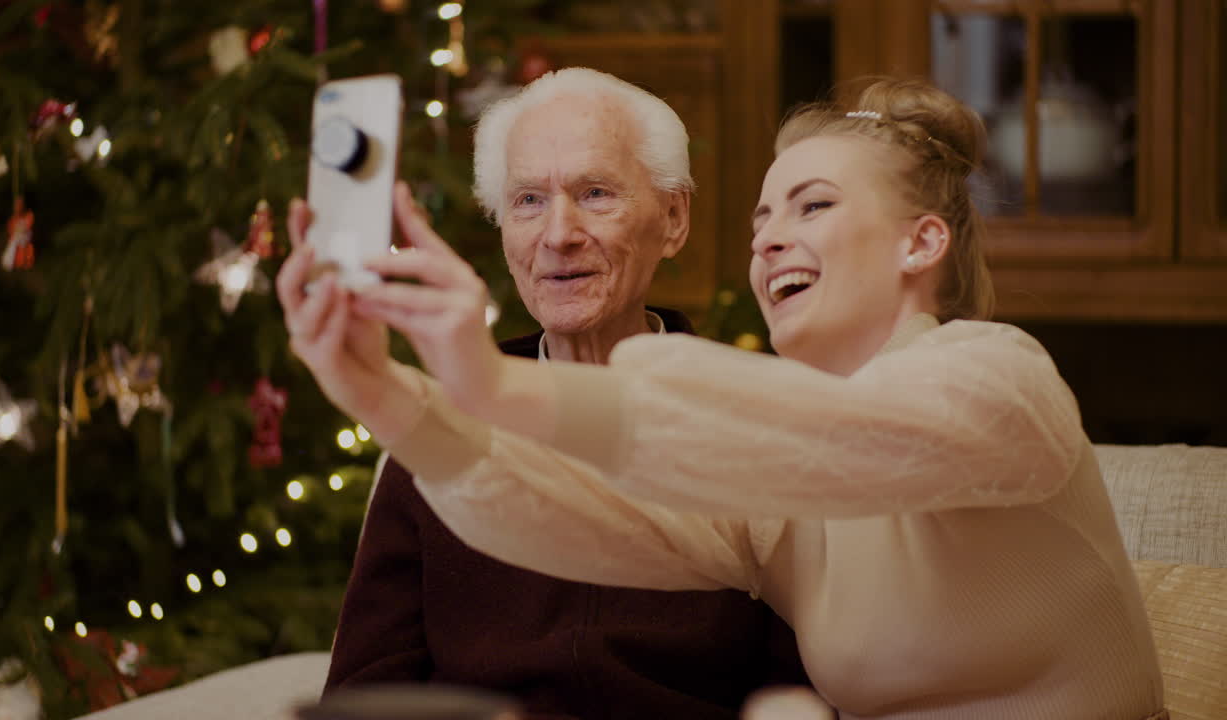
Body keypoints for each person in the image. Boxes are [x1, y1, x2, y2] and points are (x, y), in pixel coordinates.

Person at [312, 76, 1168, 719]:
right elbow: (577, 516)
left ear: (922, 241)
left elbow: (869, 439)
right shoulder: (777, 499)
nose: (769, 242)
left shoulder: (1002, 379)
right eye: (762, 220)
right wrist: (391, 398)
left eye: (813, 205)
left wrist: (490, 383)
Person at [284, 68, 806, 719]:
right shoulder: (435, 422)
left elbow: (805, 683)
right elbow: (366, 687)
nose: (559, 234)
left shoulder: (755, 418)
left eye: (594, 193)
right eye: (528, 200)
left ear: (673, 219)